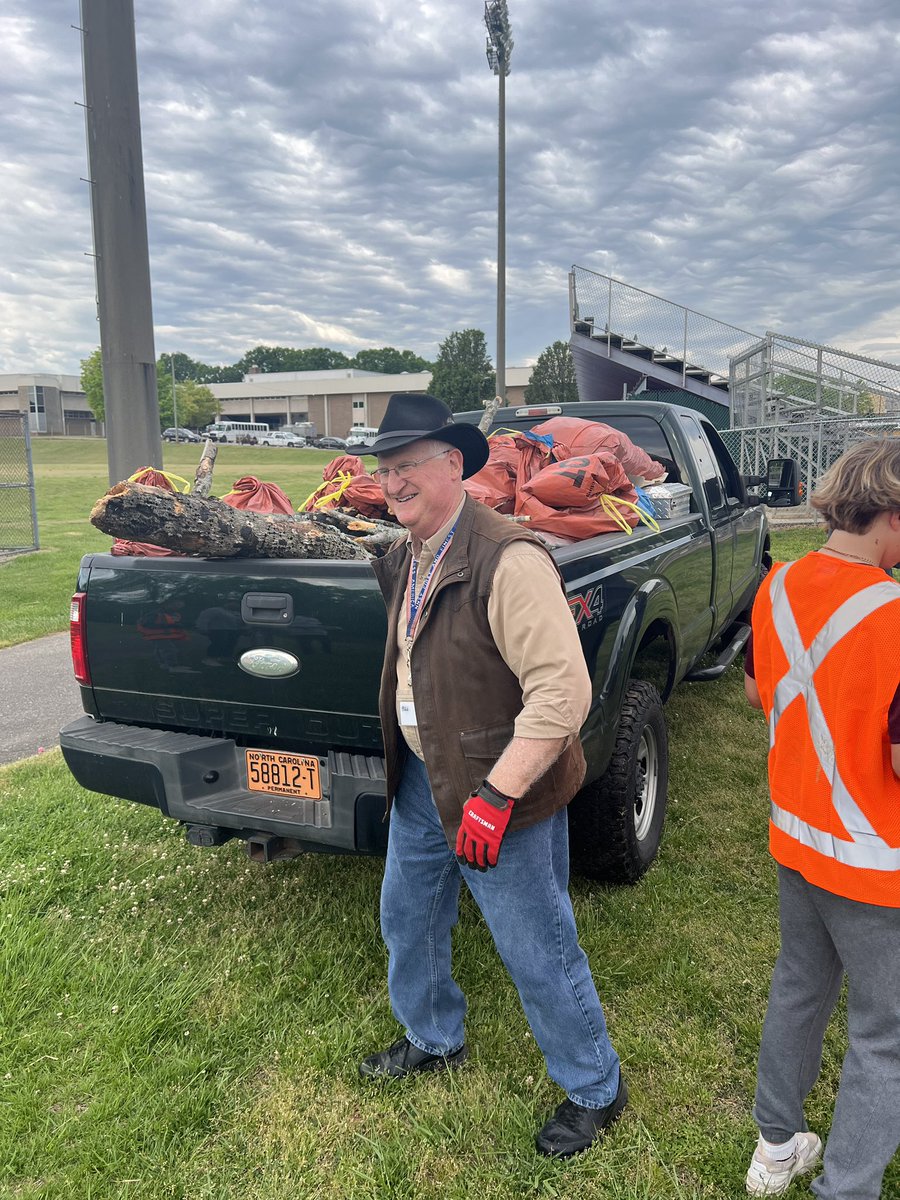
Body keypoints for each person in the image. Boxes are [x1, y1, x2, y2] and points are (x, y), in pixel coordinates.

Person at [355, 393, 625, 1158]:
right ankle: (434, 1037)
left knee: (538, 946)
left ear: (453, 465)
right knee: (407, 920)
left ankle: (595, 1087)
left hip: (500, 794)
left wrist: (498, 795)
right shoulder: (411, 549)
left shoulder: (508, 558)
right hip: (423, 779)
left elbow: (563, 694)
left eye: (408, 464)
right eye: (386, 466)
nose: (393, 480)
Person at [743, 437, 900, 1197]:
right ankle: (847, 1187)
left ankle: (775, 1148)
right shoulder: (896, 615)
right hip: (877, 866)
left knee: (801, 984)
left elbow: (756, 692)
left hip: (796, 836)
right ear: (892, 517)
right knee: (885, 1037)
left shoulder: (777, 584)